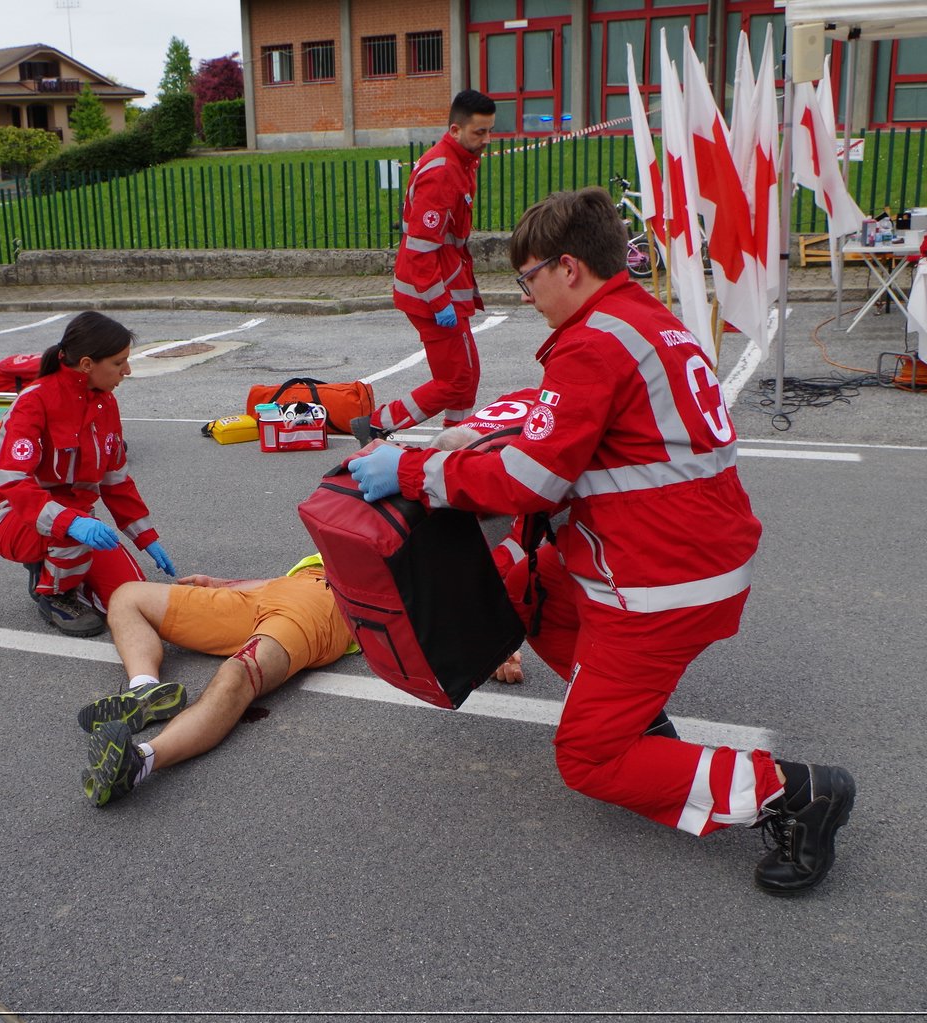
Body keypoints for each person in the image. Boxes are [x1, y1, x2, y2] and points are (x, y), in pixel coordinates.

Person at [347, 187, 856, 894]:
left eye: (527, 279)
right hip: (682, 556)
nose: (526, 296)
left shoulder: (592, 344)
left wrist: (412, 467)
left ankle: (795, 794)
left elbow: (529, 481)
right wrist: (468, 440)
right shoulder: (643, 322)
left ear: (567, 268)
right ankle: (633, 716)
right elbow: (562, 426)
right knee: (529, 589)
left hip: (656, 580)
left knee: (587, 759)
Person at [76, 555, 355, 806]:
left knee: (237, 674)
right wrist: (224, 584)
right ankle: (143, 688)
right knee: (128, 596)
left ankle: (139, 762)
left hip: (321, 606)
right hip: (275, 592)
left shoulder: (392, 531)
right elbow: (287, 579)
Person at [0, 311, 175, 637]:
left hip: (76, 522)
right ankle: (55, 593)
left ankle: (64, 569)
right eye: (118, 363)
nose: (126, 371)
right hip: (16, 518)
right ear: (87, 364)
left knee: (132, 596)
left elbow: (116, 480)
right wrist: (70, 523)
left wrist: (147, 538)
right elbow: (14, 483)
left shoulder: (105, 404)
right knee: (72, 541)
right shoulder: (35, 402)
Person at [351, 90, 496, 447]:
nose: (487, 140)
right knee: (455, 381)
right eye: (480, 132)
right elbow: (419, 249)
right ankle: (376, 423)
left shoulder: (458, 163)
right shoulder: (443, 172)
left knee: (466, 377)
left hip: (441, 287)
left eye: (490, 131)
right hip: (432, 291)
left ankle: (454, 446)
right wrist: (439, 301)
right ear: (456, 129)